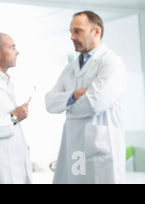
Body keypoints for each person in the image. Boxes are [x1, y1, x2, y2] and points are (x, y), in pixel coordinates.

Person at [45, 11, 127, 184]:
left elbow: (94, 103)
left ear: (96, 32)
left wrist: (66, 105)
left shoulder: (111, 62)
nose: (72, 37)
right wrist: (74, 95)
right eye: (70, 32)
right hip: (74, 149)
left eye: (78, 31)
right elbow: (50, 103)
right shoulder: (70, 68)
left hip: (100, 149)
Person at [0, 33, 32, 184]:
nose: (17, 52)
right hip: (0, 172)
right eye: (12, 47)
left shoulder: (6, 82)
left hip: (15, 169)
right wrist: (13, 118)